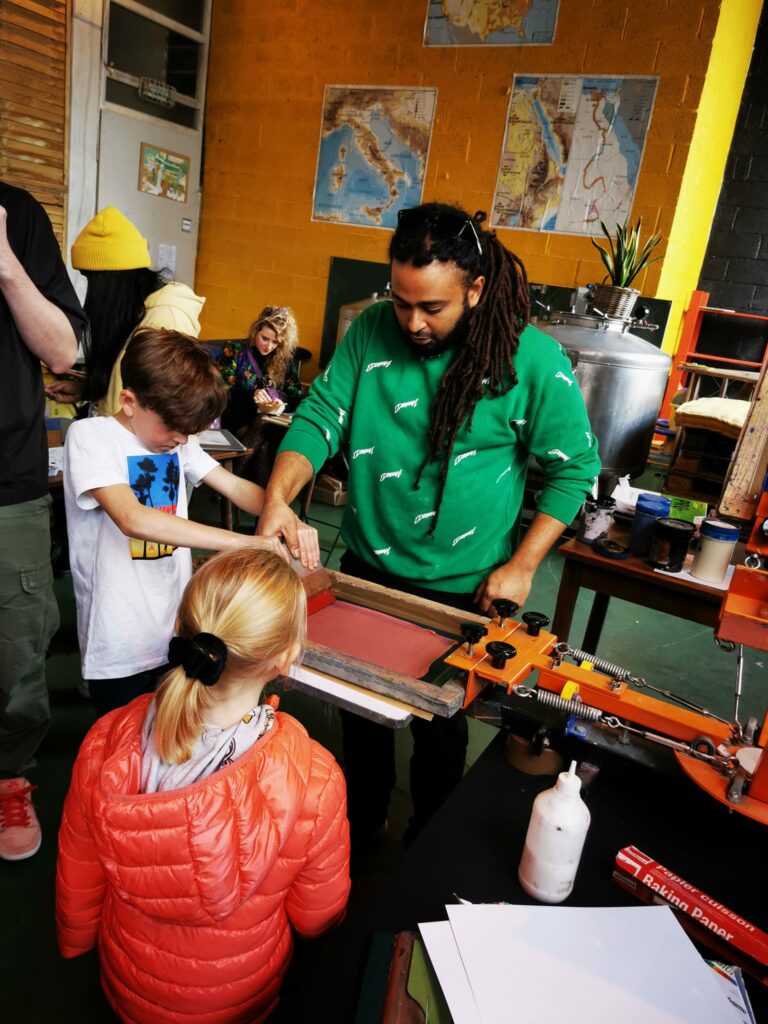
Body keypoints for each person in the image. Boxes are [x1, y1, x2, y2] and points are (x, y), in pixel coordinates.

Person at [258, 201, 601, 843]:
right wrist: (278, 499)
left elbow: (575, 468)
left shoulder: (531, 361)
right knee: (360, 718)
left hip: (463, 590)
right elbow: (320, 416)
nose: (412, 321)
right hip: (368, 570)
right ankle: (357, 833)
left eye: (432, 308)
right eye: (401, 300)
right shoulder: (370, 332)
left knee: (439, 734)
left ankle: (424, 842)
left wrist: (522, 565)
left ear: (473, 289)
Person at [56, 547, 350, 1024]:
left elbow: (78, 873)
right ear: (287, 658)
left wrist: (76, 939)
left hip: (132, 981)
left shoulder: (105, 742)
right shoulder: (314, 779)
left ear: (181, 630)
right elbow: (317, 914)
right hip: (241, 994)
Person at [63, 326, 319, 717]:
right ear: (129, 401)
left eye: (190, 432)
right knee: (123, 744)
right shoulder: (91, 436)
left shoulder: (179, 441)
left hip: (177, 631)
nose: (183, 440)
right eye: (175, 429)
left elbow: (238, 489)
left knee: (172, 736)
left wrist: (282, 509)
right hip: (118, 643)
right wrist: (248, 543)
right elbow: (133, 519)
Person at [0, 182, 86, 861]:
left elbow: (63, 354)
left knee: (18, 644)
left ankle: (9, 779)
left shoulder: (17, 215)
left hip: (8, 483)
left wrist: (4, 263)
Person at [46, 205, 205, 415]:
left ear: (110, 282)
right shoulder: (136, 311)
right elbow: (132, 387)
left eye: (91, 280)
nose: (91, 293)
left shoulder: (165, 320)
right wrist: (88, 390)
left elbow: (162, 413)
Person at [217, 305, 302, 486]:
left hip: (265, 422)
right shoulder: (234, 350)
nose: (268, 346)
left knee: (264, 446)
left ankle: (232, 490)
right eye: (265, 338)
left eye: (275, 342)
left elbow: (296, 395)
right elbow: (220, 390)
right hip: (236, 413)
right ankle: (233, 488)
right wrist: (252, 395)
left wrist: (281, 401)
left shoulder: (283, 359)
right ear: (256, 329)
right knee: (264, 424)